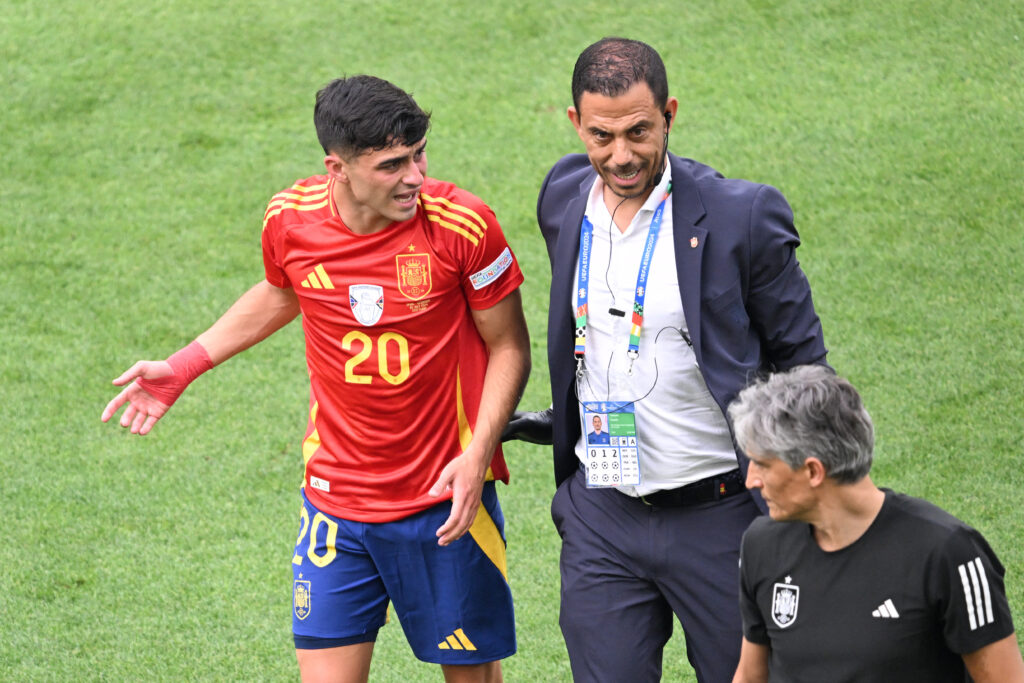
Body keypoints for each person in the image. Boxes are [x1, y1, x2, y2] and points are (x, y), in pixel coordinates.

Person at [101, 75, 531, 683]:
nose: (415, 176)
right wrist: (184, 366)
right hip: (335, 505)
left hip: (443, 501)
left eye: (419, 155)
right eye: (392, 164)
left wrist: (479, 451)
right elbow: (282, 293)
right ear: (338, 167)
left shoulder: (464, 225)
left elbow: (509, 344)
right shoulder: (290, 219)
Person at [503, 37, 828, 682]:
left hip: (725, 516)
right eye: (601, 136)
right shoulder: (564, 198)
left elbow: (804, 365)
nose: (621, 156)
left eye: (639, 132)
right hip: (603, 513)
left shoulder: (741, 216)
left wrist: (814, 507)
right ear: (574, 124)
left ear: (669, 115)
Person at [728, 365, 1024, 683]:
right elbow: (750, 675)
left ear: (813, 471)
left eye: (762, 464)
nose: (750, 481)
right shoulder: (762, 545)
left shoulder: (949, 553)